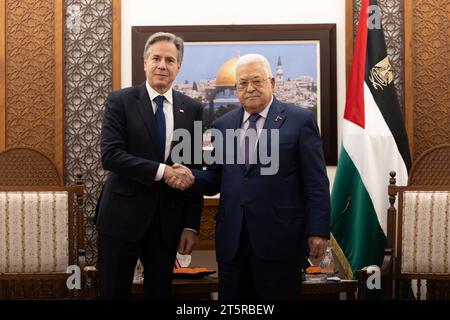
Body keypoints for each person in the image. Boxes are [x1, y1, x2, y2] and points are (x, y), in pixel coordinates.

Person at [168, 54, 330, 299]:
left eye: (256, 81)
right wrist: (191, 176)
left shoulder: (300, 121)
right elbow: (215, 179)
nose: (250, 88)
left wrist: (318, 230)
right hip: (233, 242)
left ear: (272, 82)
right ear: (236, 88)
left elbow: (316, 182)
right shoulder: (223, 125)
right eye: (242, 83)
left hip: (281, 241)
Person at [95, 32, 203, 299]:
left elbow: (192, 168)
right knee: (113, 293)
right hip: (121, 219)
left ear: (178, 67)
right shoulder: (120, 101)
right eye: (156, 58)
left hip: (167, 223)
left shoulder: (191, 109)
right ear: (145, 62)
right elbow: (111, 155)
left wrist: (191, 224)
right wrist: (163, 171)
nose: (162, 65)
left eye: (170, 60)